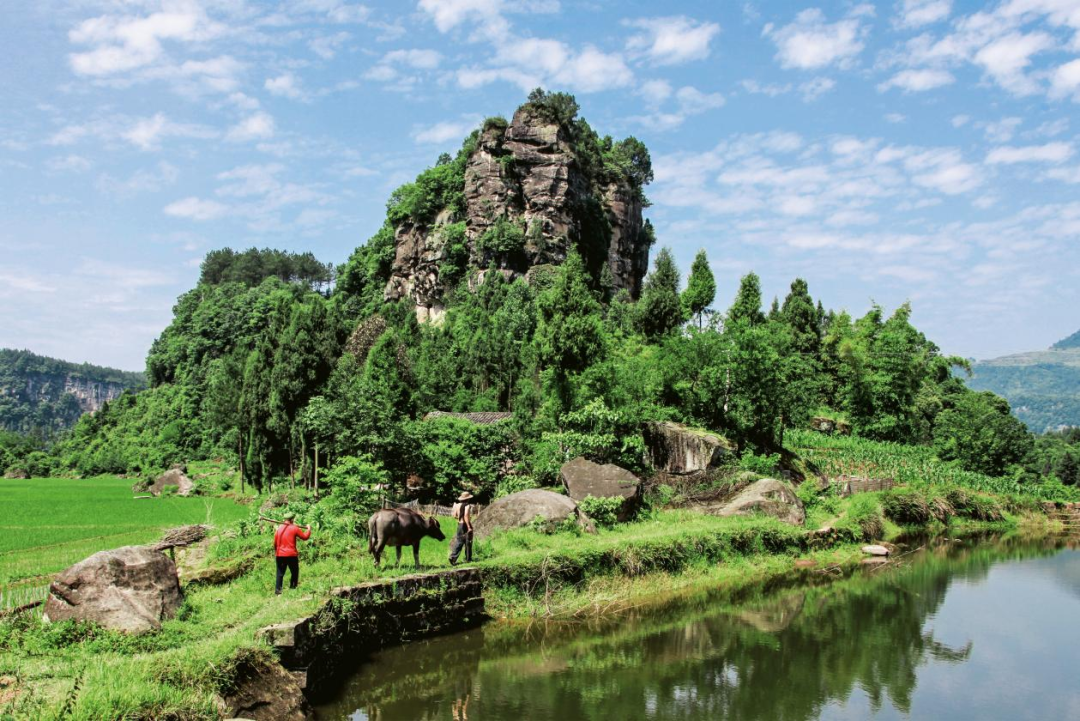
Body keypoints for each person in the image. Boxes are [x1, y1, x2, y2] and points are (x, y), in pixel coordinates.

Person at [273, 511, 311, 595]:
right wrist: (308, 529)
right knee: (294, 572)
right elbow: (305, 537)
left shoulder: (279, 528)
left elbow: (275, 543)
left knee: (280, 573)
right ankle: (293, 588)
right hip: (291, 555)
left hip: (280, 554)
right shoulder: (294, 528)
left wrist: (277, 552)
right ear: (292, 519)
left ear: (285, 519)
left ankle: (278, 592)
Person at [448, 491, 474, 566]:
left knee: (459, 541)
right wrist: (469, 526)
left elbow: (454, 515)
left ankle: (453, 557)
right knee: (468, 541)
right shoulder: (467, 506)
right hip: (465, 525)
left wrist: (460, 518)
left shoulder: (457, 505)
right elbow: (466, 515)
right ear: (468, 499)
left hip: (459, 524)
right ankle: (468, 559)